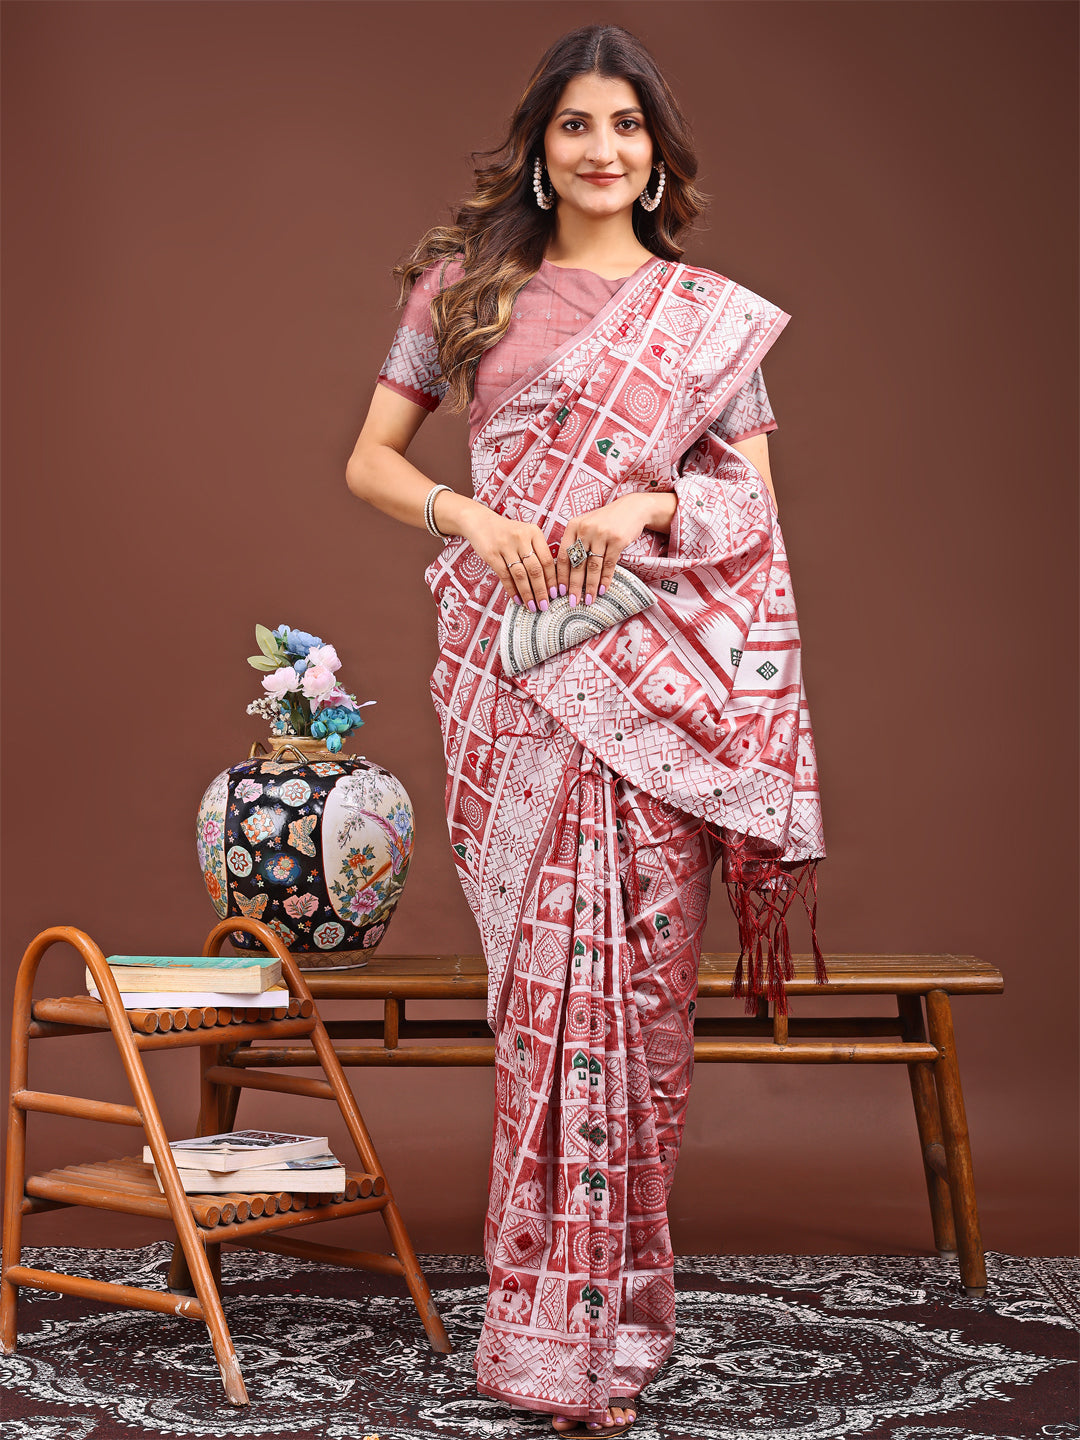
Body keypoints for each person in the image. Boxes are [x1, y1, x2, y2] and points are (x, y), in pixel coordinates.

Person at [346, 23, 825, 1437]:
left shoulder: (707, 318)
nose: (603, 149)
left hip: (654, 690)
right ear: (540, 148)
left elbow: (755, 512)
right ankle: (541, 1327)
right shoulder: (463, 288)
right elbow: (369, 461)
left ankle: (616, 1324)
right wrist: (469, 515)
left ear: (657, 153)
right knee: (541, 1002)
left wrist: (648, 502)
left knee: (642, 1007)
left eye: (627, 125)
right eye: (576, 125)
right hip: (509, 678)